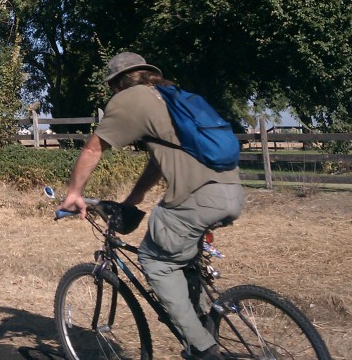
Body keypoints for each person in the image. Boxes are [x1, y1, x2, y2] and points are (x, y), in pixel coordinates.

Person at [60, 52, 244, 360]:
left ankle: (203, 347)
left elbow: (94, 148)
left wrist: (74, 193)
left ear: (117, 84)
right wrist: (135, 197)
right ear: (147, 74)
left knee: (155, 261)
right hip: (231, 192)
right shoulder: (172, 96)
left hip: (197, 199)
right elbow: (162, 159)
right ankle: (201, 320)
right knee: (181, 261)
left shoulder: (128, 99)